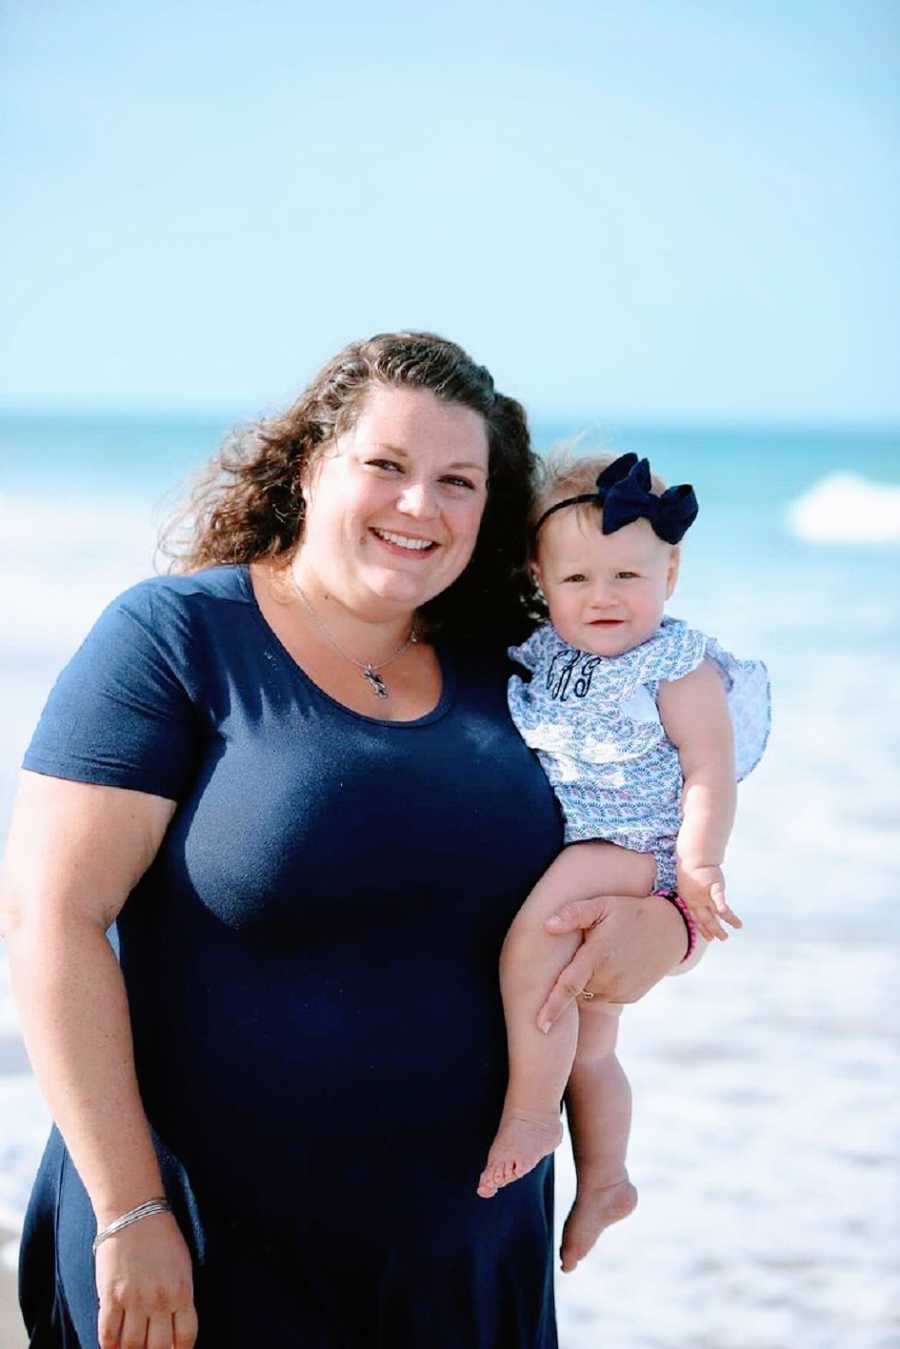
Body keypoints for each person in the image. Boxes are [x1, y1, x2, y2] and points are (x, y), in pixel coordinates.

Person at [2, 335, 699, 1349]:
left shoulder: (529, 667)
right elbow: (48, 919)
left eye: (457, 480)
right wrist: (129, 1209)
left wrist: (669, 932)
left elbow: (657, 837)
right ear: (308, 465)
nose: (420, 505)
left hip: (463, 1264)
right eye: (386, 465)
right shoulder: (178, 637)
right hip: (199, 1257)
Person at [476, 451, 770, 1268]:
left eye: (628, 575)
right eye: (577, 580)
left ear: (670, 572)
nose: (603, 597)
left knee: (537, 935)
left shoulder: (674, 663)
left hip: (636, 846)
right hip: (590, 841)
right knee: (595, 1042)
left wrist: (701, 864)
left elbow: (709, 764)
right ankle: (606, 1177)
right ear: (540, 578)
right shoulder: (545, 654)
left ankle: (532, 1116)